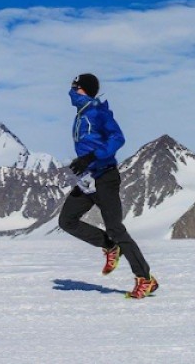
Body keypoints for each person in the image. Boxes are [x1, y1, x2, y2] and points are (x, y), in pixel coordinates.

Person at [58, 73, 159, 299]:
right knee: (67, 220)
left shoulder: (98, 112)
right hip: (88, 180)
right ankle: (110, 246)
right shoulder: (81, 114)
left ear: (84, 89)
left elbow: (118, 138)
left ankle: (146, 279)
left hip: (105, 178)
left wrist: (92, 156)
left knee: (115, 228)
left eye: (76, 88)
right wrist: (82, 163)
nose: (72, 91)